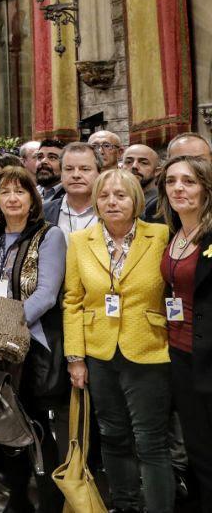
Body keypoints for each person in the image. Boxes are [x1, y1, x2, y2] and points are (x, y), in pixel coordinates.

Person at [63, 168, 173, 513]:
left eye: (121, 195)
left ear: (136, 200)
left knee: (150, 441)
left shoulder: (161, 235)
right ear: (96, 201)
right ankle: (125, 505)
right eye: (105, 195)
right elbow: (72, 300)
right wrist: (75, 357)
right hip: (98, 351)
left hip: (149, 348)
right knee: (113, 435)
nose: (112, 202)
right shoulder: (82, 241)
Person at [0, 166, 67, 512]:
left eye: (19, 191)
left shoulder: (49, 235)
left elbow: (47, 293)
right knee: (4, 424)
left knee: (36, 425)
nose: (12, 198)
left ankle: (49, 500)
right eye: (5, 192)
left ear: (32, 198)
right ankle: (18, 498)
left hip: (34, 344)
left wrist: (9, 326)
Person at [157, 155, 212, 510]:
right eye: (172, 180)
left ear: (207, 190)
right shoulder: (171, 231)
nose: (178, 188)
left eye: (189, 181)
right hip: (179, 351)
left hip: (209, 355)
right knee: (198, 448)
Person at [46, 141, 100, 236]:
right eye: (69, 169)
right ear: (61, 174)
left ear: (99, 173)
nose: (76, 175)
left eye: (85, 169)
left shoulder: (111, 211)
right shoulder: (44, 213)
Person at [124, 144, 162, 216]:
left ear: (157, 171)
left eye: (143, 163)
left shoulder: (159, 203)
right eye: (129, 162)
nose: (134, 166)